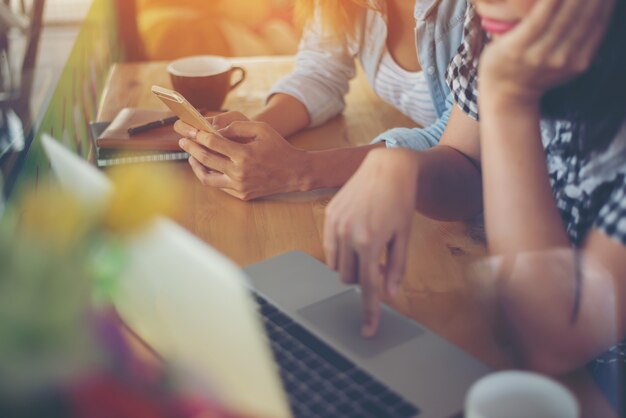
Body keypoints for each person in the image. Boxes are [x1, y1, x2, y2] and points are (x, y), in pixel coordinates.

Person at [324, 0, 626, 391]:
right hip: (512, 330)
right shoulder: (503, 23)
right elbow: (467, 161)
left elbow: (555, 342)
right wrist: (402, 166)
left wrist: (506, 98)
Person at [174, 0, 467, 200]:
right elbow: (321, 71)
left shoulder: (482, 10)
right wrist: (246, 133)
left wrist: (301, 170)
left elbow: (464, 142)